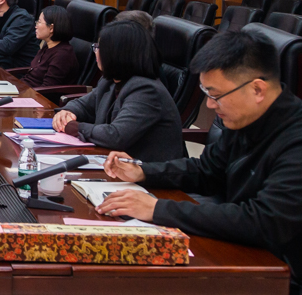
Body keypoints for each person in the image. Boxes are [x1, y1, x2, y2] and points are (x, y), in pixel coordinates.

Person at [98, 30, 302, 295]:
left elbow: (264, 221)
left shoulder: (295, 140)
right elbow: (206, 170)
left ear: (257, 89)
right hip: (241, 252)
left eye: (215, 95)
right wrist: (143, 172)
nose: (210, 105)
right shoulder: (246, 118)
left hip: (281, 274)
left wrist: (158, 209)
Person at [51, 20, 185, 162]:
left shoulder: (146, 91)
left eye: (99, 47)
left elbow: (116, 136)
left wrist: (77, 128)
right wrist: (68, 112)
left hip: (145, 172)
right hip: (113, 162)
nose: (95, 52)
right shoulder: (109, 81)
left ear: (117, 53)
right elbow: (84, 105)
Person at [20, 5, 80, 87]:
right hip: (24, 89)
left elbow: (47, 89)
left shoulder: (62, 55)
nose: (36, 26)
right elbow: (31, 76)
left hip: (35, 94)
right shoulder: (48, 46)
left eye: (39, 22)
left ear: (51, 28)